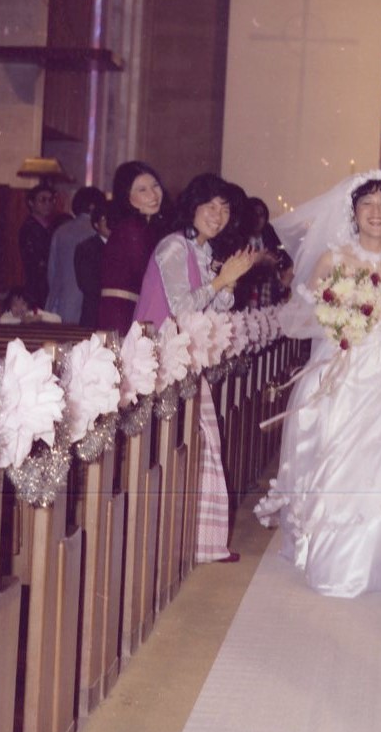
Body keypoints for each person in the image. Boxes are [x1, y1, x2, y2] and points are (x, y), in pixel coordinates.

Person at [255, 168, 381, 595]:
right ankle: (328, 553)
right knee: (335, 456)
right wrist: (336, 321)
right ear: (354, 212)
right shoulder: (332, 258)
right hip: (337, 371)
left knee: (377, 462)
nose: (375, 213)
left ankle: (373, 551)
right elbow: (297, 318)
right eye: (367, 205)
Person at [135, 174, 259, 563]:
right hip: (159, 360)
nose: (218, 215)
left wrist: (228, 283)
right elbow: (183, 308)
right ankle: (169, 543)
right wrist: (222, 280)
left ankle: (199, 542)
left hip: (186, 358)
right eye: (210, 206)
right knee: (180, 448)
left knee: (202, 444)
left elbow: (216, 308)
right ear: (192, 207)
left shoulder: (202, 251)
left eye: (224, 209)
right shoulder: (174, 247)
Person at [99, 161, 169, 332]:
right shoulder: (132, 229)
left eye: (155, 186)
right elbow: (148, 274)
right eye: (142, 190)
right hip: (121, 312)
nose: (153, 195)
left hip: (131, 307)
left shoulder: (145, 227)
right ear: (127, 196)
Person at [46, 185, 105, 323]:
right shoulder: (97, 232)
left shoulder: (61, 231)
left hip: (61, 303)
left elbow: (52, 271)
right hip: (88, 306)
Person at [18, 182, 68, 309]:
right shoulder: (30, 227)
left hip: (49, 283)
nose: (48, 204)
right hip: (37, 286)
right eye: (42, 200)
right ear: (31, 203)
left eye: (51, 200)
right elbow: (35, 261)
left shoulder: (52, 226)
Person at [74, 202, 112, 327]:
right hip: (94, 312)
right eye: (104, 219)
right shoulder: (86, 248)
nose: (110, 223)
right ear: (96, 224)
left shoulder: (123, 247)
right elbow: (86, 284)